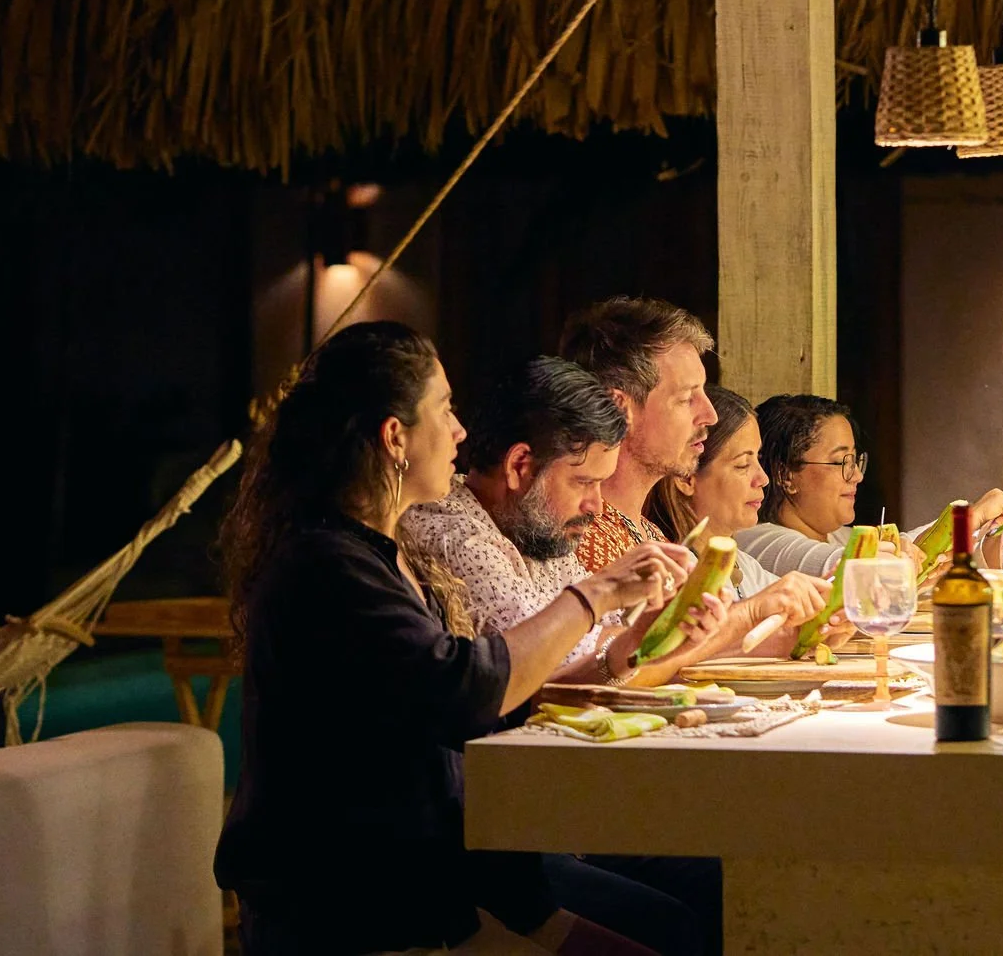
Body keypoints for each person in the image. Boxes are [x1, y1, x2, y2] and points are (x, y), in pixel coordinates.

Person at [215, 323, 719, 956]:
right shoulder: (327, 564)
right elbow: (464, 690)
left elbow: (479, 709)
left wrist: (628, 646)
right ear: (395, 438)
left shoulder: (378, 553)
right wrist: (594, 597)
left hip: (443, 878)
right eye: (444, 410)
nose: (459, 431)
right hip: (349, 908)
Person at [402, 356, 732, 689]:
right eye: (584, 482)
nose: (597, 506)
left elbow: (603, 638)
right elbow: (556, 670)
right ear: (520, 466)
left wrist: (657, 630)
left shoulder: (534, 525)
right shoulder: (454, 532)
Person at [737, 394, 1003, 578]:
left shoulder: (839, 535)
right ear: (784, 475)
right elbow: (857, 568)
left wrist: (1002, 531)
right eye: (842, 463)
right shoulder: (758, 540)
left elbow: (916, 550)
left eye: (856, 461)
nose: (857, 476)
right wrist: (970, 518)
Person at [648, 385, 852, 656]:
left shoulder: (745, 566)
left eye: (758, 460)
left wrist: (823, 620)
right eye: (743, 465)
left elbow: (789, 627)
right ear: (687, 477)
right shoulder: (671, 570)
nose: (763, 479)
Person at [559, 298, 719, 571]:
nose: (711, 415)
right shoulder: (582, 536)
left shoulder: (649, 533)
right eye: (685, 399)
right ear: (620, 407)